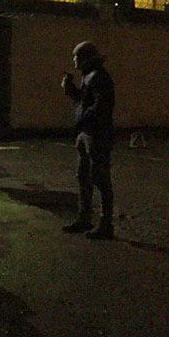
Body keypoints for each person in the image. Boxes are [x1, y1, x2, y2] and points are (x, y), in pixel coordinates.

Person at [61, 40, 116, 240]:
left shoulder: (99, 77)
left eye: (76, 56)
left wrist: (83, 120)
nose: (74, 60)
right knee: (84, 176)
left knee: (99, 178)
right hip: (87, 133)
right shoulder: (90, 76)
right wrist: (72, 91)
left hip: (96, 134)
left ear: (85, 59)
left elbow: (100, 106)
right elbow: (86, 101)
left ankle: (105, 223)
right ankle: (85, 218)